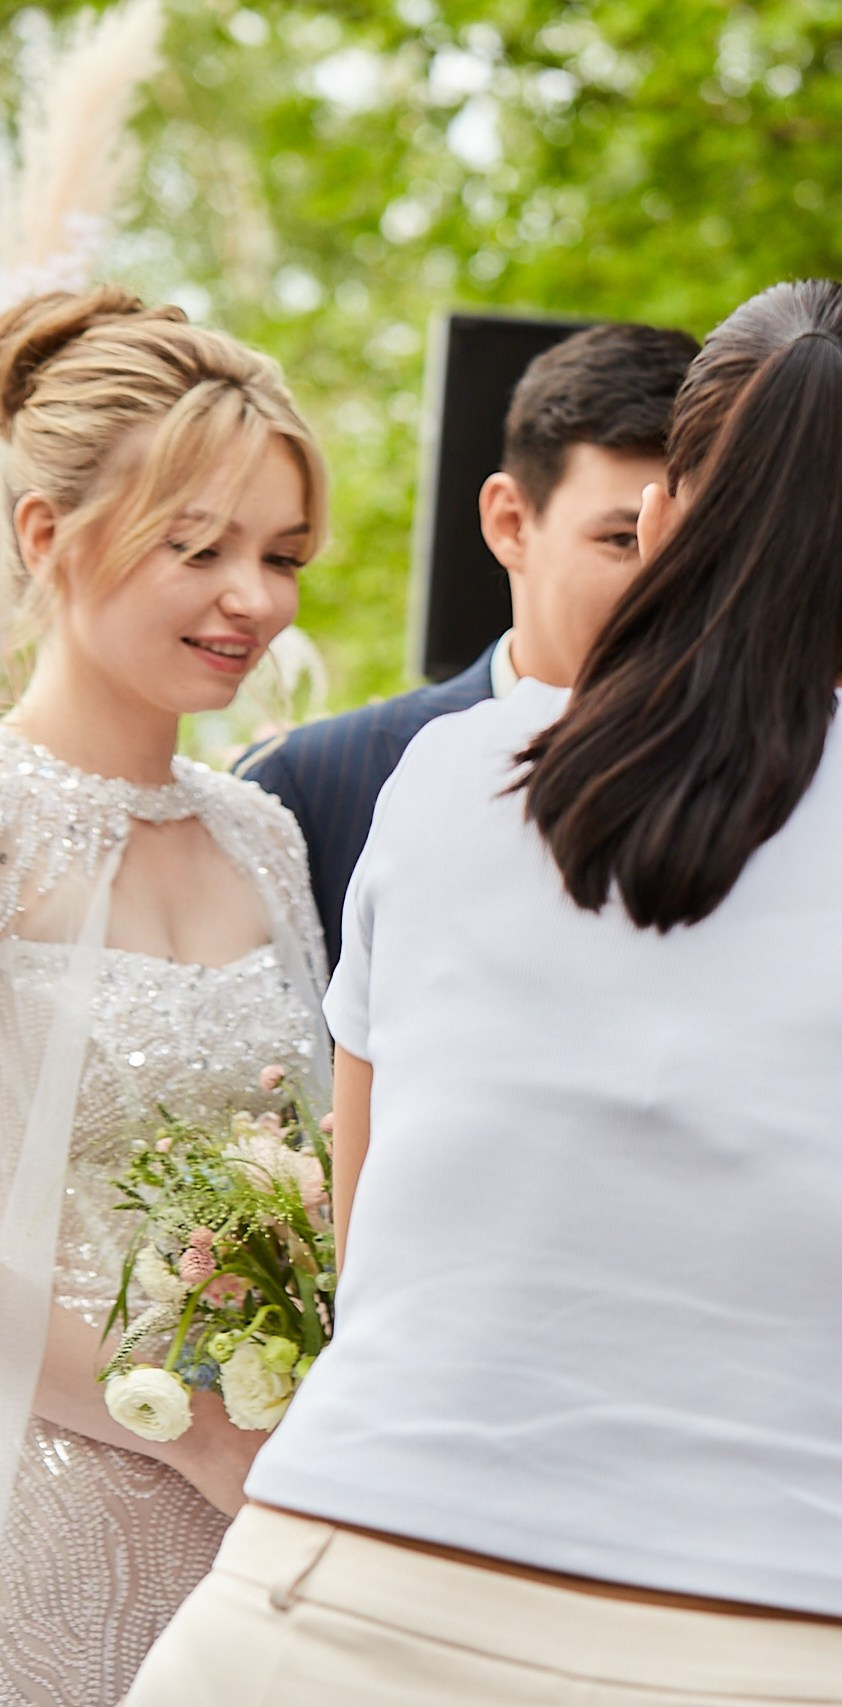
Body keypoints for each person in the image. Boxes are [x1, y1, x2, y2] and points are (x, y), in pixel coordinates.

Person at [129, 279, 842, 1707]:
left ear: (659, 530)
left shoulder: (455, 778)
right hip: (774, 1659)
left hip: (301, 1625)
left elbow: (378, 1265)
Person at [0, 286, 334, 1704]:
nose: (252, 597)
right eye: (198, 548)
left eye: (282, 553)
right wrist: (193, 1430)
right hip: (44, 1503)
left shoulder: (264, 834)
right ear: (45, 535)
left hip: (268, 1518)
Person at [236, 320, 697, 964]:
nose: (668, 583)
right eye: (622, 540)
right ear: (510, 523)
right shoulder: (314, 787)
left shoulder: (771, 785)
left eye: (697, 544)